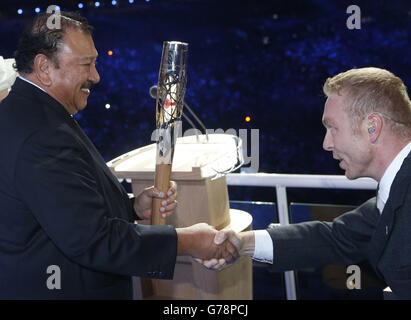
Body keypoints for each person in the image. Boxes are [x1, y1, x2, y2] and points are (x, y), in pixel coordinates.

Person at [0, 11, 237, 299]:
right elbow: (94, 241)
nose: (95, 76)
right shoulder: (42, 133)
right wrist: (186, 241)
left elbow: (63, 209)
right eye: (86, 64)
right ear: (44, 67)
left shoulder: (26, 113)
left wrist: (133, 207)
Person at [204, 67, 411, 299]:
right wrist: (242, 243)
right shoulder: (394, 191)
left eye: (332, 127)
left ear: (372, 127)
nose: (326, 143)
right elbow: (334, 238)